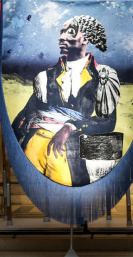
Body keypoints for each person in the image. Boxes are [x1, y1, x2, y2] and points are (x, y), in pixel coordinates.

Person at [12, 15, 120, 187]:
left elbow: (107, 122)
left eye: (69, 32)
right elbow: (23, 117)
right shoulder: (44, 77)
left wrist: (70, 126)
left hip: (68, 151)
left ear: (85, 38)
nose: (61, 37)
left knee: (71, 200)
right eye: (61, 32)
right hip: (33, 148)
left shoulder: (103, 76)